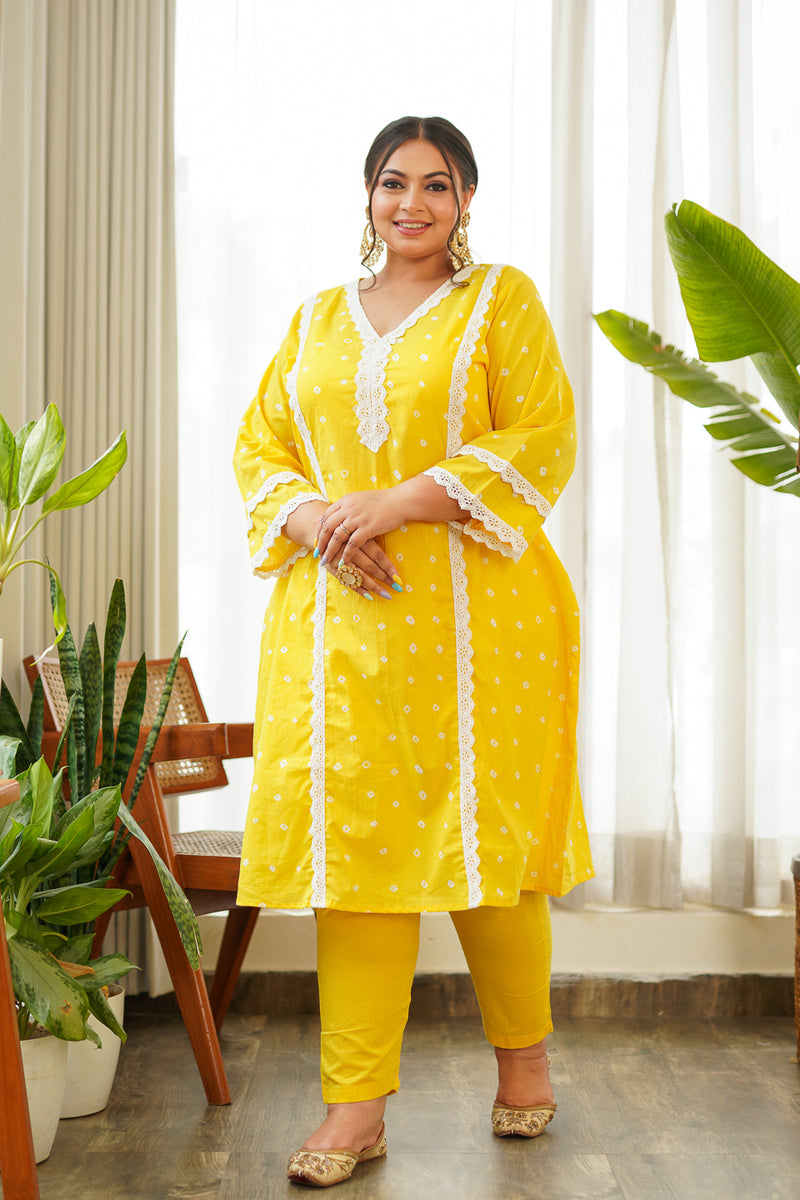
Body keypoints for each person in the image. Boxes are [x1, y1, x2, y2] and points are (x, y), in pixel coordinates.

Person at [233, 115, 593, 1188]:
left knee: (489, 852)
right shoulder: (313, 320)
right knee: (354, 864)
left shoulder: (501, 302)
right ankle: (355, 1109)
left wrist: (396, 501)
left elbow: (542, 436)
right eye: (394, 183)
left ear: (466, 200)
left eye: (437, 185)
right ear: (367, 195)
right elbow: (259, 448)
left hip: (483, 631)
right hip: (337, 632)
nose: (413, 203)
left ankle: (524, 1063)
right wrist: (318, 521)